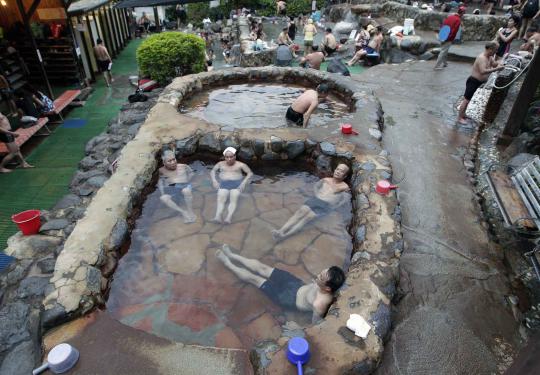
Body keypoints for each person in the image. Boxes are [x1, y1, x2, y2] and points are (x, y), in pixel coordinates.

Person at [216, 244, 345, 320]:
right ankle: (232, 256)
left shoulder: (319, 305)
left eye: (321, 277)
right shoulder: (327, 283)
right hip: (296, 284)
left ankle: (227, 262)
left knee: (255, 279)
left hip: (288, 299)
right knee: (263, 268)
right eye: (321, 273)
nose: (318, 276)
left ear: (328, 289)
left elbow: (315, 326)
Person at [272, 164, 350, 240]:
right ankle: (281, 230)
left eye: (342, 171)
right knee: (299, 212)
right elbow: (316, 186)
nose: (338, 172)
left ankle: (285, 235)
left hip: (326, 204)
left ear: (345, 176)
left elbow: (345, 200)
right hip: (316, 199)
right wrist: (316, 194)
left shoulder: (344, 187)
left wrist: (334, 206)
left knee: (307, 218)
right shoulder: (325, 180)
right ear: (335, 170)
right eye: (337, 169)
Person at [457, 41, 505, 124]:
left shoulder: (490, 57)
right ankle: (459, 117)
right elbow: (483, 71)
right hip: (473, 81)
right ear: (490, 49)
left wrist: (500, 63)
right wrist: (497, 69)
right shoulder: (481, 58)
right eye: (495, 50)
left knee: (469, 99)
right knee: (466, 100)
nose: (496, 52)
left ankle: (463, 114)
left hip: (478, 82)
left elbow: (494, 64)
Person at [210, 147, 253, 224]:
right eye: (227, 157)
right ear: (224, 157)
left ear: (235, 156)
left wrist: (243, 182)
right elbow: (213, 171)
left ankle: (228, 217)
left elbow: (250, 173)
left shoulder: (241, 165)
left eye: (231, 157)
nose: (229, 159)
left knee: (234, 198)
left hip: (236, 184)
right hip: (224, 184)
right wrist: (214, 180)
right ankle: (217, 217)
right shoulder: (220, 164)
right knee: (221, 198)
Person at [158, 150, 196, 223]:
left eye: (174, 159)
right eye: (169, 161)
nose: (173, 162)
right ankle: (183, 212)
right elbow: (160, 181)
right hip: (172, 189)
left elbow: (192, 173)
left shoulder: (183, 166)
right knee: (163, 198)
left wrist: (188, 180)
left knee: (186, 190)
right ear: (164, 163)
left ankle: (190, 211)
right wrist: (162, 193)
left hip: (185, 186)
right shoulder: (161, 170)